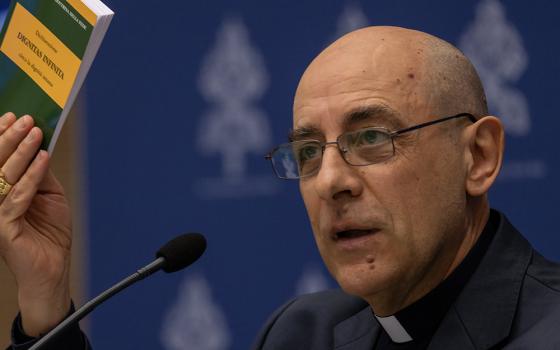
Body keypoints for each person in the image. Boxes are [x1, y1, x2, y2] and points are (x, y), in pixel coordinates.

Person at [1, 26, 559, 349]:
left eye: (371, 137)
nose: (332, 181)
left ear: (478, 157)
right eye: (309, 152)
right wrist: (48, 305)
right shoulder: (304, 334)